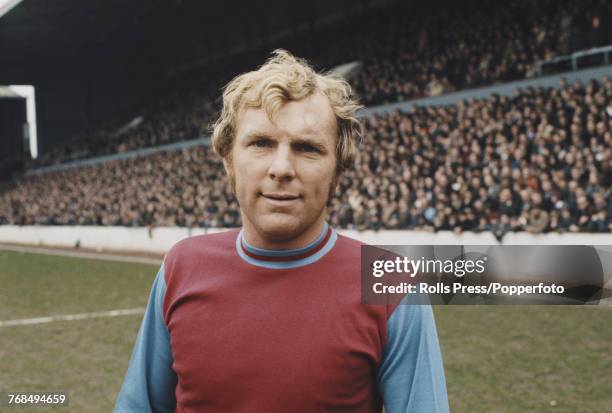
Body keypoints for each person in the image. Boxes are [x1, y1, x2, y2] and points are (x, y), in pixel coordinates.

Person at [114, 50, 449, 412]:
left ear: (337, 172)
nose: (281, 168)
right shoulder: (180, 267)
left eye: (307, 148)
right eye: (261, 143)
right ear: (229, 159)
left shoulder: (391, 283)